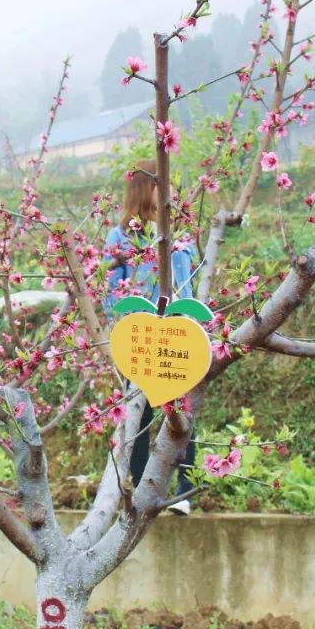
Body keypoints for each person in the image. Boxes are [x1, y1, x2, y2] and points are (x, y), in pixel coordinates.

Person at [103, 159, 198, 515]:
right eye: (163, 184)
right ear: (147, 188)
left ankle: (185, 492)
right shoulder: (121, 238)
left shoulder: (181, 234)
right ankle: (140, 491)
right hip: (141, 340)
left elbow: (192, 285)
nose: (170, 191)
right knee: (139, 417)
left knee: (183, 413)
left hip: (180, 335)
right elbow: (111, 294)